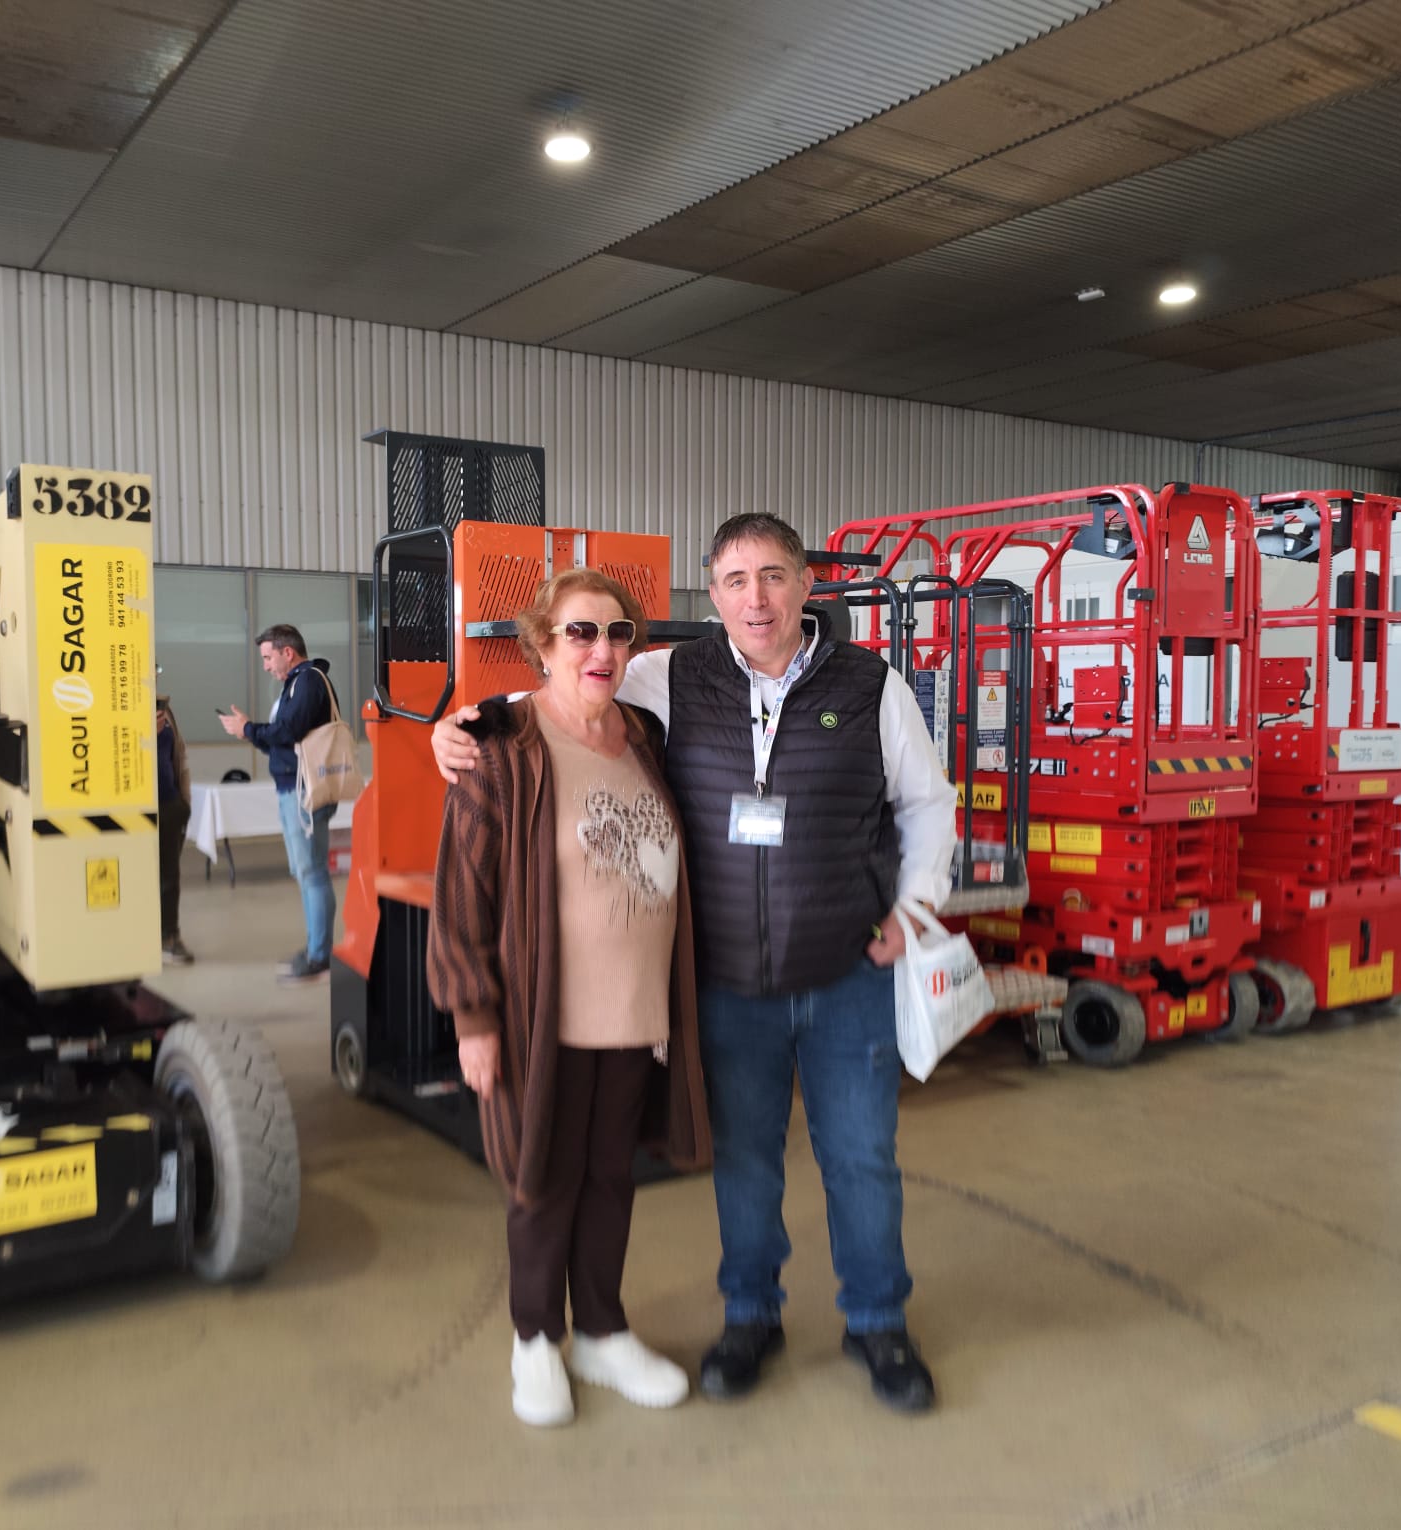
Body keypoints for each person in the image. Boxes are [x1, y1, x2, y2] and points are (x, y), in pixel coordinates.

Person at [434, 513, 958, 1414]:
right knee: (743, 1163)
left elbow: (928, 803)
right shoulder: (669, 675)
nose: (757, 598)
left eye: (774, 576)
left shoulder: (872, 685)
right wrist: (460, 726)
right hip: (726, 987)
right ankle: (748, 1317)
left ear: (806, 585)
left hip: (843, 977)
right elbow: (567, 691)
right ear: (712, 596)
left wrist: (914, 910)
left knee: (862, 1160)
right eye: (736, 581)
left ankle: (878, 1323)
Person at [427, 568, 710, 1428]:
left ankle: (602, 1332)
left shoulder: (645, 736)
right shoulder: (502, 746)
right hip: (540, 1018)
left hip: (636, 1012)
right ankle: (535, 1339)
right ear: (542, 645)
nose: (601, 649)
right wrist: (474, 1020)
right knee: (542, 1179)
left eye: (618, 633)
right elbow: (461, 894)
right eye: (580, 632)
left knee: (610, 1177)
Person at [221, 624, 338, 983]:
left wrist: (250, 729)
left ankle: (320, 957)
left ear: (288, 652)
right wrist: (248, 732)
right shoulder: (295, 685)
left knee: (312, 873)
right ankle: (315, 949)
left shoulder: (308, 681)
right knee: (306, 872)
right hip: (294, 789)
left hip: (303, 792)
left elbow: (288, 731)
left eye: (268, 657)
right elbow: (282, 742)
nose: (266, 666)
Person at [156, 696, 194, 965]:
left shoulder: (163, 708)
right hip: (134, 809)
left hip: (169, 803)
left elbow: (177, 754)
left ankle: (169, 936)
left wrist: (183, 802)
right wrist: (143, 733)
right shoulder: (115, 703)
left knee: (169, 877)